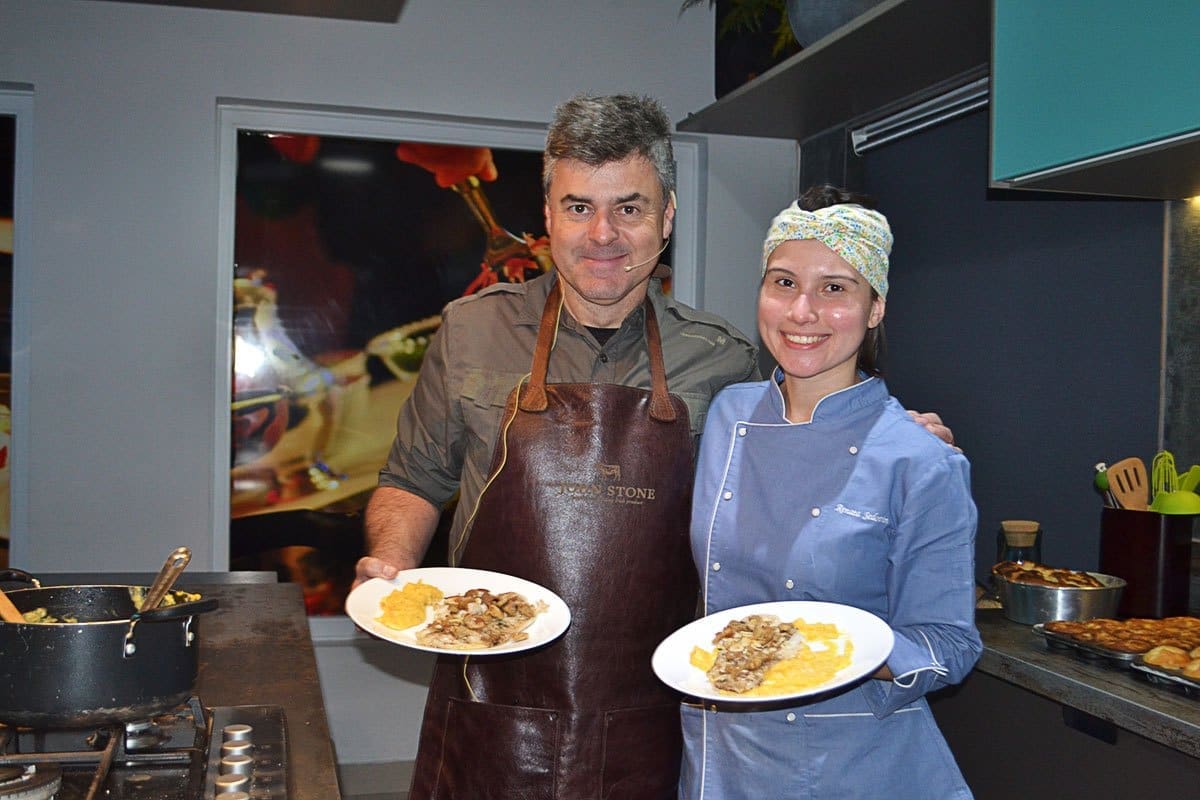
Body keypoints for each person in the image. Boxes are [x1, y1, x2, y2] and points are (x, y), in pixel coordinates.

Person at [354, 95, 956, 799]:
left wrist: (894, 435)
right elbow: (413, 479)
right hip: (489, 705)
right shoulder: (469, 332)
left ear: (666, 218)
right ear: (547, 215)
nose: (603, 233)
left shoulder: (724, 360)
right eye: (579, 207)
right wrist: (392, 562)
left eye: (630, 208)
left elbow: (806, 435)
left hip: (656, 716)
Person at [679, 185, 981, 799]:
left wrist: (825, 649)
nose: (802, 311)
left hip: (850, 765)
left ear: (875, 308)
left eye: (835, 288)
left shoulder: (920, 459)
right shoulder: (728, 415)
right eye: (784, 282)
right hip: (718, 755)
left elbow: (949, 644)